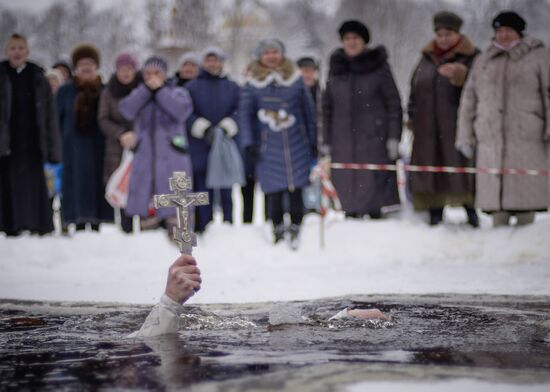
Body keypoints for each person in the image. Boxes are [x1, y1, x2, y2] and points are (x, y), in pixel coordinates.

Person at [457, 11, 550, 227]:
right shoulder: (483, 60)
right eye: (499, 31)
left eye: (508, 30)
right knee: (496, 204)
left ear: (519, 32)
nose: (503, 35)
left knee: (525, 198)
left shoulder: (540, 56)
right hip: (490, 138)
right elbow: (469, 100)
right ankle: (499, 247)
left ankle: (524, 241)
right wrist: (464, 136)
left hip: (527, 137)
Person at [239, 39, 317, 249]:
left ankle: (297, 225)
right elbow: (245, 115)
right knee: (273, 188)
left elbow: (308, 112)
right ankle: (277, 227)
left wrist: (313, 140)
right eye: (267, 53)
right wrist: (248, 144)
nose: (272, 56)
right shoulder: (252, 82)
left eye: (275, 52)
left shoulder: (295, 79)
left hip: (296, 142)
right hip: (266, 144)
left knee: (296, 186)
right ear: (260, 56)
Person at [323, 20, 403, 220]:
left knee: (372, 182)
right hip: (343, 141)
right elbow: (326, 108)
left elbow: (393, 104)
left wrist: (394, 137)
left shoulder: (379, 67)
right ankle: (351, 215)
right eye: (347, 38)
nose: (351, 42)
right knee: (347, 182)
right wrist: (325, 140)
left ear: (364, 41)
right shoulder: (336, 69)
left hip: (374, 139)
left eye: (355, 38)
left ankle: (375, 217)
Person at [407, 11, 480, 227]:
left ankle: (471, 212)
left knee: (461, 171)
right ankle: (435, 213)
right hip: (427, 129)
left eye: (448, 34)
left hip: (457, 129)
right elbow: (414, 91)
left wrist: (462, 75)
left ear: (458, 34)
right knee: (432, 169)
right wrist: (412, 117)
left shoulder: (472, 57)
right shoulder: (426, 59)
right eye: (439, 34)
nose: (443, 38)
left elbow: (484, 90)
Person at [119, 56, 193, 233]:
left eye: (157, 73)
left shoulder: (177, 92)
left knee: (177, 213)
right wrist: (146, 91)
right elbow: (126, 110)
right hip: (146, 161)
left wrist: (160, 91)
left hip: (173, 159)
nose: (152, 77)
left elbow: (181, 111)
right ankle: (150, 248)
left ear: (165, 74)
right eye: (148, 73)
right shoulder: (140, 93)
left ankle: (180, 249)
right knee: (148, 217)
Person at [0, 33, 61, 236]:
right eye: (12, 48)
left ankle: (37, 224)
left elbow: (50, 116)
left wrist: (53, 149)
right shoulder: (2, 75)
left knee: (33, 185)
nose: (16, 52)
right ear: (7, 51)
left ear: (27, 52)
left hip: (33, 140)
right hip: (7, 141)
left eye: (20, 48)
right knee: (8, 184)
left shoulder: (37, 77)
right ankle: (10, 225)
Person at [57, 43, 113, 233]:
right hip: (73, 148)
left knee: (98, 184)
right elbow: (57, 119)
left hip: (99, 147)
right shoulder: (66, 91)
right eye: (82, 63)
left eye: (90, 62)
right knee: (76, 185)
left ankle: (97, 221)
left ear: (96, 66)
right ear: (76, 67)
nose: (86, 67)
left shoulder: (105, 89)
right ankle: (77, 221)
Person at [185, 46, 240, 233]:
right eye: (209, 60)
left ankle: (228, 227)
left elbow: (239, 109)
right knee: (202, 189)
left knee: (225, 188)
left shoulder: (232, 87)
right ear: (203, 63)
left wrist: (227, 126)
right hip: (200, 145)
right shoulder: (191, 87)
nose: (213, 63)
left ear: (221, 62)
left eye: (216, 60)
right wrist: (202, 127)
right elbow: (186, 112)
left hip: (223, 144)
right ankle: (203, 228)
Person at [98, 53, 141, 233]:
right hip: (117, 147)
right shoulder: (109, 91)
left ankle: (146, 228)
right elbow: (103, 118)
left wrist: (138, 133)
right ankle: (126, 229)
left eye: (129, 69)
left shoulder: (142, 89)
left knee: (142, 186)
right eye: (122, 70)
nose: (125, 73)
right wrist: (121, 134)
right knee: (122, 185)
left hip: (141, 145)